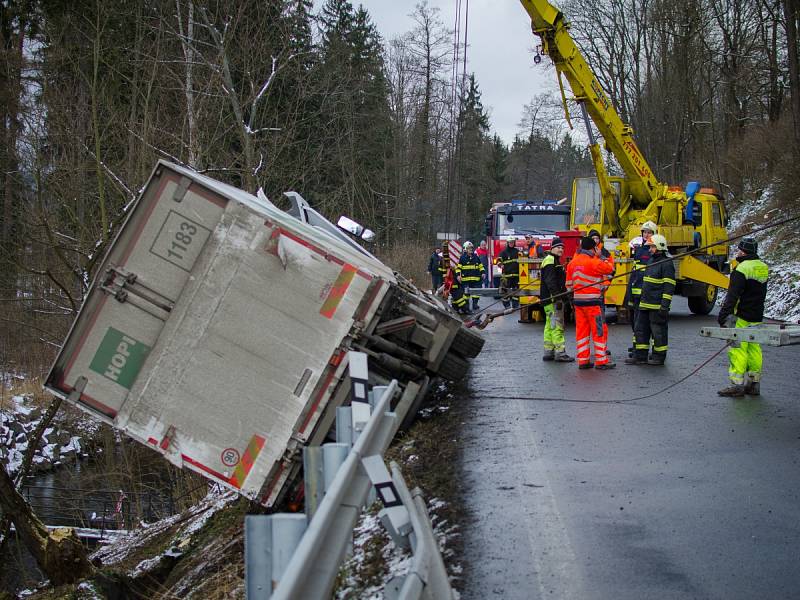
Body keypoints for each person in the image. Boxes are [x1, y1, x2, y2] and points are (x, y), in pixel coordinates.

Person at [716, 238, 769, 397]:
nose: (737, 252)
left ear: (743, 251)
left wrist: (724, 315)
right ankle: (754, 383)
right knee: (754, 348)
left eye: (739, 249)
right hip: (757, 315)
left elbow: (733, 296)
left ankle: (737, 385)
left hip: (741, 316)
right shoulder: (763, 267)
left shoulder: (741, 269)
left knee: (738, 349)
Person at [566, 236, 616, 369]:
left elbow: (569, 286)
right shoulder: (595, 262)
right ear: (593, 248)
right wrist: (601, 257)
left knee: (581, 332)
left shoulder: (572, 263)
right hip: (593, 303)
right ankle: (601, 361)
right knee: (599, 331)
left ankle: (583, 361)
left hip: (578, 303)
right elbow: (610, 269)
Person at [625, 233, 674, 366]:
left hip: (657, 306)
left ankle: (659, 357)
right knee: (641, 330)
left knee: (658, 333)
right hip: (645, 303)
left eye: (652, 247)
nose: (650, 250)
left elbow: (669, 287)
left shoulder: (667, 264)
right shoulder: (651, 260)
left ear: (659, 247)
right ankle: (640, 356)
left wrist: (664, 306)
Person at [540, 237, 574, 362]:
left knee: (549, 325)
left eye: (562, 248)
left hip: (547, 299)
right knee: (557, 326)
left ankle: (548, 351)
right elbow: (551, 281)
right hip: (552, 299)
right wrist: (558, 297)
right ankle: (560, 353)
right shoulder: (550, 260)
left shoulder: (552, 260)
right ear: (552, 248)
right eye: (558, 247)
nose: (561, 250)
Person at [625, 221, 657, 356]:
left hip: (647, 292)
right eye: (644, 232)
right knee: (636, 321)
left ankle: (650, 349)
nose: (646, 234)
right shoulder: (638, 249)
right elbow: (635, 272)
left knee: (649, 323)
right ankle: (637, 346)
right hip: (636, 290)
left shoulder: (655, 251)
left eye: (649, 232)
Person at [457, 241, 486, 311]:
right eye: (468, 248)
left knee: (476, 293)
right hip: (466, 280)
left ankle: (475, 304)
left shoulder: (476, 257)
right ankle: (466, 306)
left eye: (471, 248)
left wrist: (483, 272)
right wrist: (458, 276)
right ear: (465, 249)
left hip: (476, 280)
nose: (470, 249)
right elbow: (458, 268)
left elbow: (480, 266)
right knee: (466, 294)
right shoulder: (462, 258)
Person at [497, 236, 520, 309]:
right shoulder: (503, 252)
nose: (511, 243)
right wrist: (501, 265)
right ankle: (507, 305)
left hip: (516, 275)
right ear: (507, 243)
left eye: (513, 242)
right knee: (505, 291)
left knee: (516, 291)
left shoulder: (517, 252)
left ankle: (515, 305)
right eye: (510, 242)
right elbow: (498, 261)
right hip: (507, 276)